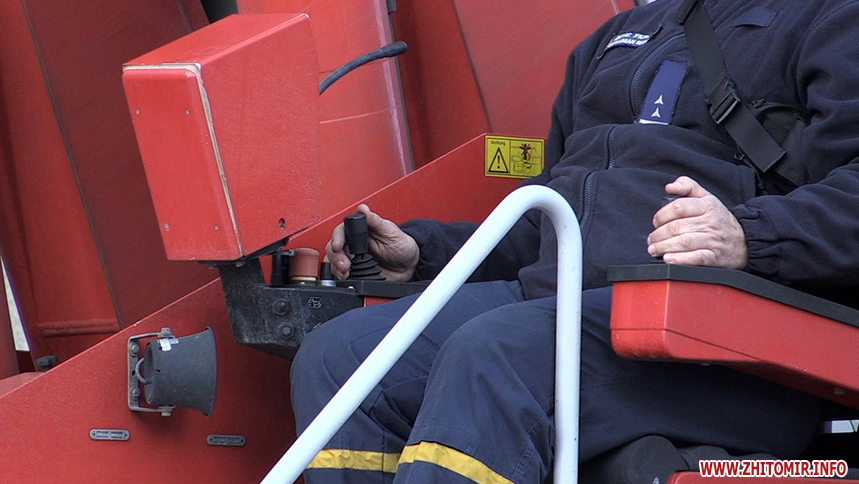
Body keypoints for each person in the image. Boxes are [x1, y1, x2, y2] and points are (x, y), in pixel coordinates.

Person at [290, 0, 859, 482]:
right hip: (562, 306)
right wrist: (425, 254)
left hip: (722, 337)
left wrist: (748, 236)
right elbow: (547, 224)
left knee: (493, 355)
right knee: (340, 357)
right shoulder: (614, 39)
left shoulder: (835, 20)